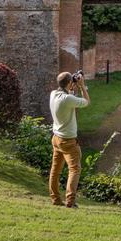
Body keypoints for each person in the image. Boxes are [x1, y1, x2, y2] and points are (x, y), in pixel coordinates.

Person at [48, 70, 89, 207]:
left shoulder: (53, 94)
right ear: (70, 82)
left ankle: (55, 199)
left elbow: (68, 98)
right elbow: (86, 102)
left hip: (56, 138)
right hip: (68, 141)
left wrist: (71, 87)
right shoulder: (68, 99)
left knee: (55, 170)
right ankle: (70, 201)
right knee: (75, 169)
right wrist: (82, 86)